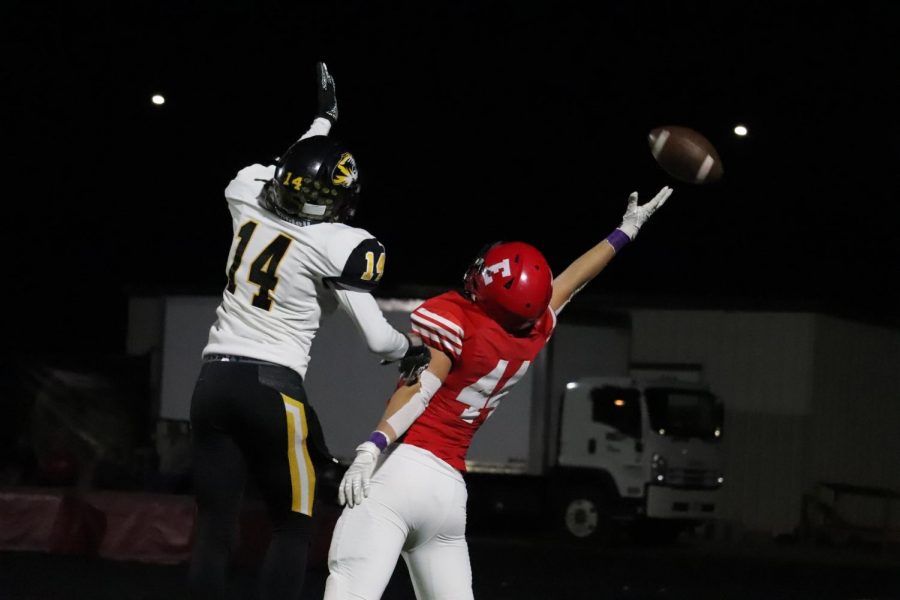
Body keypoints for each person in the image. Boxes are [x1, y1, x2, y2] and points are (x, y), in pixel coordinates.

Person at [323, 185, 673, 599]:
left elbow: (422, 388)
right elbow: (574, 280)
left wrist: (373, 444)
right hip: (448, 494)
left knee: (349, 592)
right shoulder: (534, 330)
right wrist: (625, 233)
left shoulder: (460, 323)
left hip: (401, 473)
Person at [188, 62, 429, 600]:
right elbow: (377, 339)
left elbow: (287, 164)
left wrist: (322, 120)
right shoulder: (330, 245)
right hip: (273, 390)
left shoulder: (246, 191)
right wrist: (409, 349)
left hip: (212, 383)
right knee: (293, 526)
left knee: (213, 529)